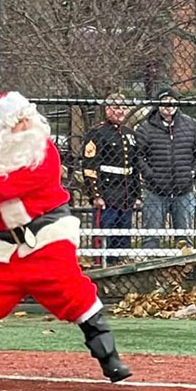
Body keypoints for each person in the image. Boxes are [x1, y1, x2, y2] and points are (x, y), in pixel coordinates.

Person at [0, 91, 131, 385]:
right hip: (3, 244)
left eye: (28, 117)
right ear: (1, 129)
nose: (26, 125)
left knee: (72, 293)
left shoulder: (44, 150)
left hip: (45, 237)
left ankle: (109, 358)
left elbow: (9, 187)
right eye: (18, 121)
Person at [134, 88, 196, 249]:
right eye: (164, 100)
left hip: (183, 190)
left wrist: (193, 173)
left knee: (184, 237)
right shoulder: (145, 128)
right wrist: (150, 175)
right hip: (154, 191)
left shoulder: (191, 125)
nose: (168, 105)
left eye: (172, 100)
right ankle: (150, 268)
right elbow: (138, 156)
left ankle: (182, 269)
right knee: (151, 237)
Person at [81, 93, 141, 264]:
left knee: (123, 234)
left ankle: (120, 262)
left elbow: (135, 167)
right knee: (105, 231)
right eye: (116, 108)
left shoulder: (130, 135)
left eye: (123, 108)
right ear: (107, 110)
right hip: (107, 192)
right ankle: (102, 264)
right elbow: (90, 167)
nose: (120, 112)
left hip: (126, 193)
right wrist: (96, 195)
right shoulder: (97, 133)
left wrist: (137, 194)